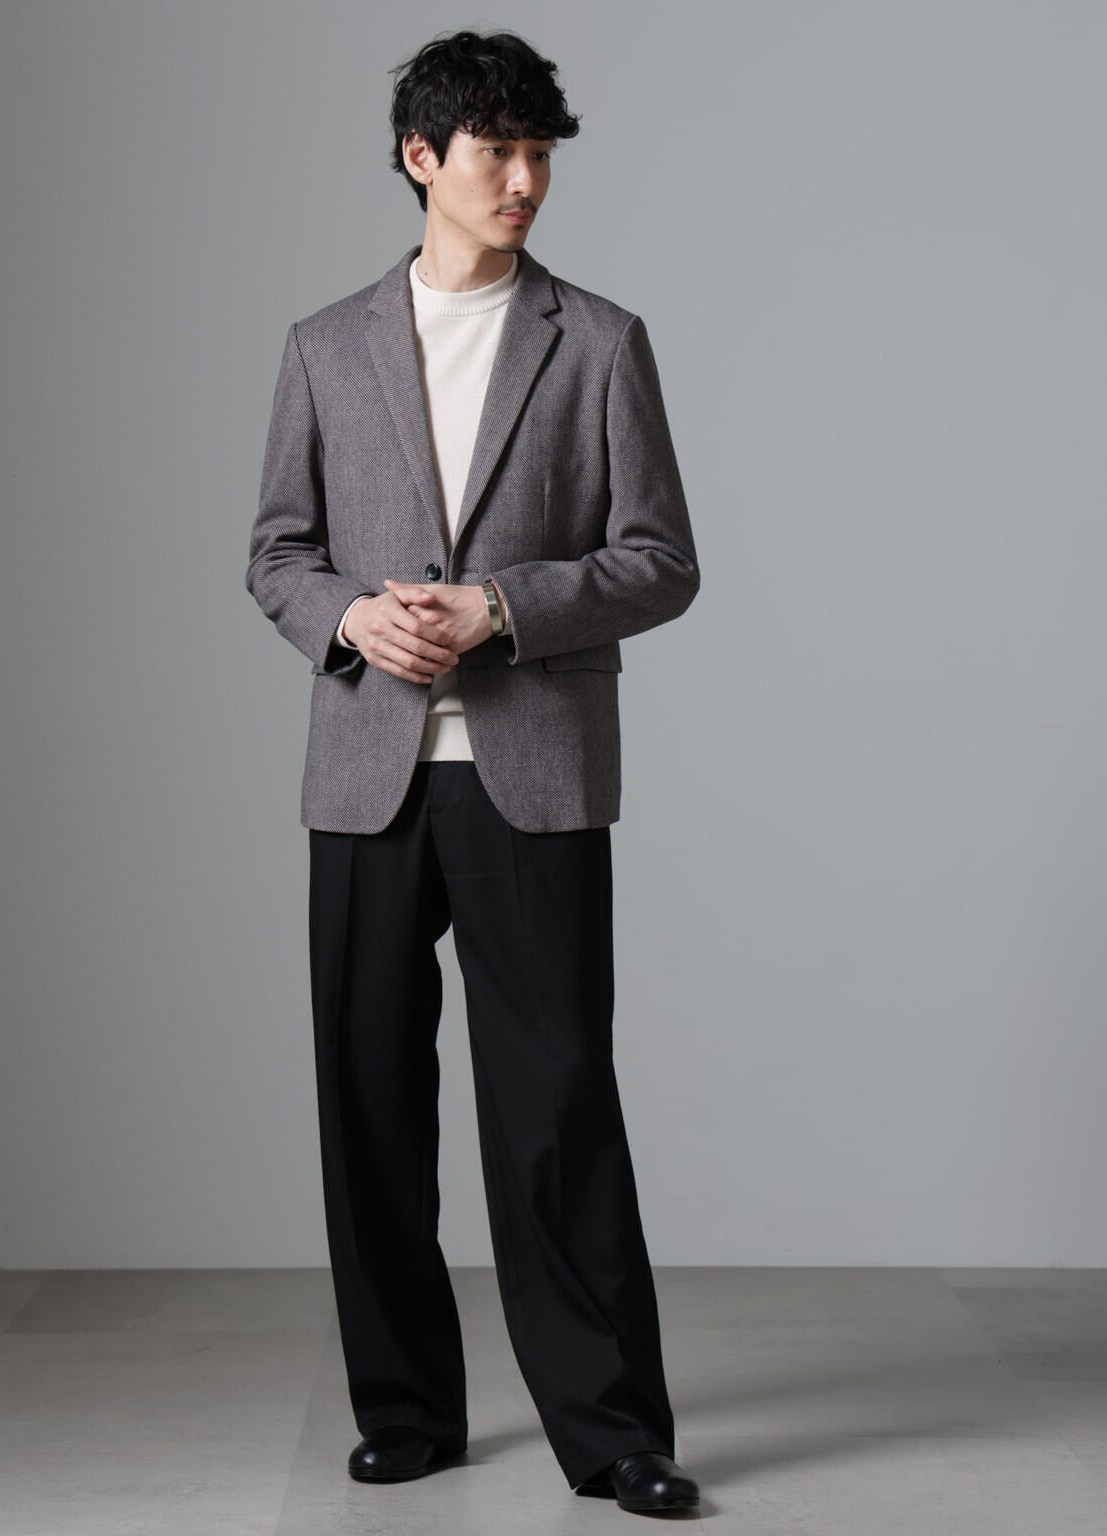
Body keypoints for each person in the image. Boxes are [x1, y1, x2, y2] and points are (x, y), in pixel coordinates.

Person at [245, 27, 701, 1516]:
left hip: (536, 772)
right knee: (369, 1100)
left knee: (557, 1106)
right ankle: (406, 1411)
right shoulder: (325, 346)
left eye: (540, 151)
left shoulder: (600, 341)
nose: (525, 179)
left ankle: (614, 1433)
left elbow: (661, 560)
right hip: (367, 774)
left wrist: (501, 609)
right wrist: (349, 618)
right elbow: (278, 555)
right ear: (419, 157)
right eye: (498, 150)